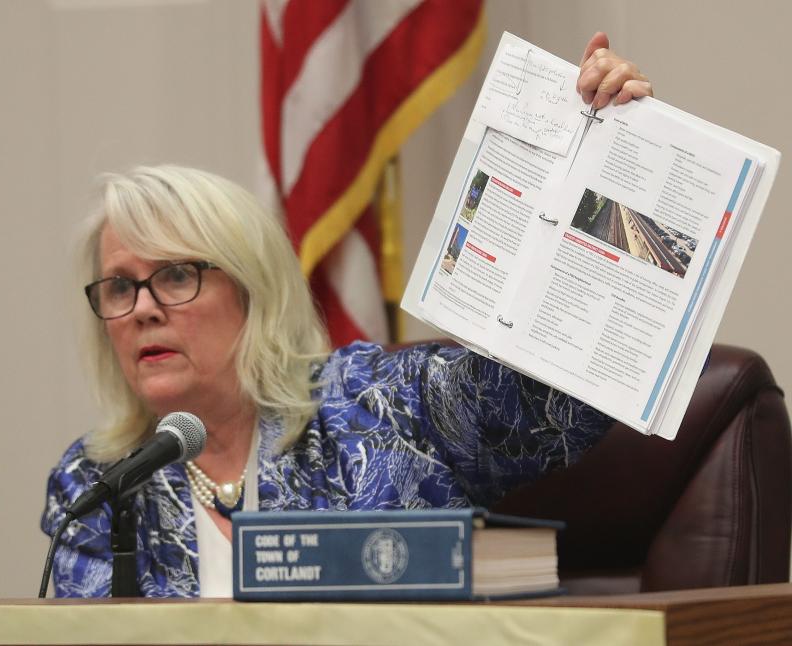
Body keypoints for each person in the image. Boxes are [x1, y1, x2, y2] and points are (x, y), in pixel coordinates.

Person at [42, 33, 652, 598]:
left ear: (252, 290)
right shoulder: (97, 484)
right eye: (120, 287)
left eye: (175, 275)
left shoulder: (382, 406)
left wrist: (611, 153)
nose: (143, 308)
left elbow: (560, 399)